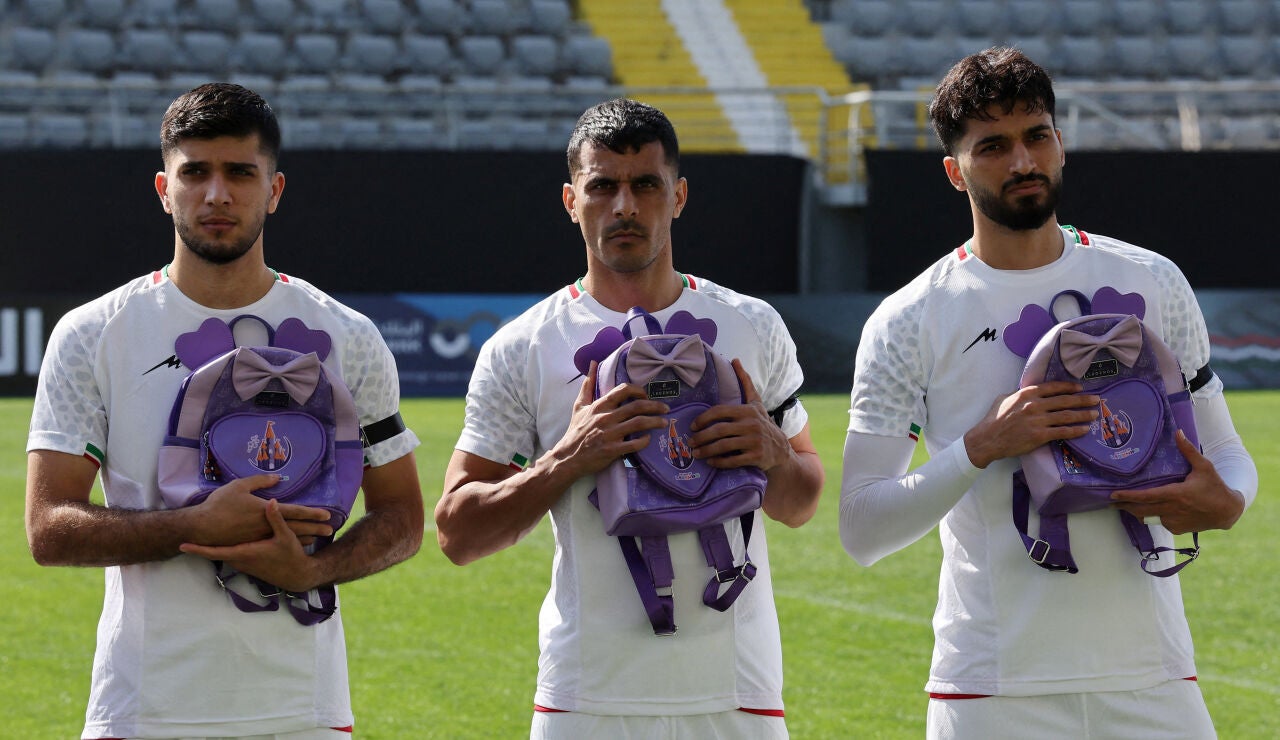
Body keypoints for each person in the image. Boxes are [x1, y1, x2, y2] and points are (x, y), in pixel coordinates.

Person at [840, 47, 1258, 738]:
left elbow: (1225, 452)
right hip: (993, 688)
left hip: (1152, 679)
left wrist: (1227, 500)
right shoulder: (909, 319)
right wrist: (981, 446)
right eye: (993, 146)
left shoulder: (1154, 280)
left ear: (1060, 144)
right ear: (954, 171)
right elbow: (861, 528)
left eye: (1037, 136)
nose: (1023, 161)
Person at [24, 83, 424, 739]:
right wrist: (192, 525)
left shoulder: (348, 335)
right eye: (195, 173)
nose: (217, 195)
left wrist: (316, 569)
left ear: (275, 190)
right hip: (141, 711)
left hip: (302, 714)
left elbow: (404, 517)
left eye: (240, 173)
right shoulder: (94, 333)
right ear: (163, 188)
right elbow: (48, 528)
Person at [434, 98, 824, 738]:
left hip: (737, 694)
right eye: (602, 187)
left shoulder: (751, 325)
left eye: (646, 185)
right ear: (570, 199)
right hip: (587, 698)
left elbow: (802, 501)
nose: (624, 207)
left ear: (679, 196)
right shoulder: (524, 345)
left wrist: (776, 454)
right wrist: (566, 459)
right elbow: (458, 534)